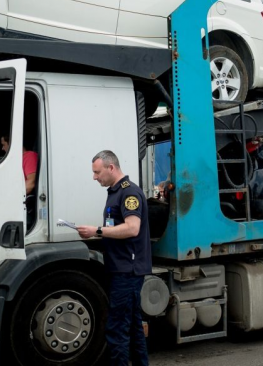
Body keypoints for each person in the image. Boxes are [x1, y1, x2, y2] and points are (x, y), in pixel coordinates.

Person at [76, 150, 151, 366]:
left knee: (117, 329)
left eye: (97, 172)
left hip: (127, 271)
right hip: (121, 269)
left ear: (111, 168)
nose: (94, 177)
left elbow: (132, 228)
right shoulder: (115, 192)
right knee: (134, 327)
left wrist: (96, 231)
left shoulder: (129, 193)